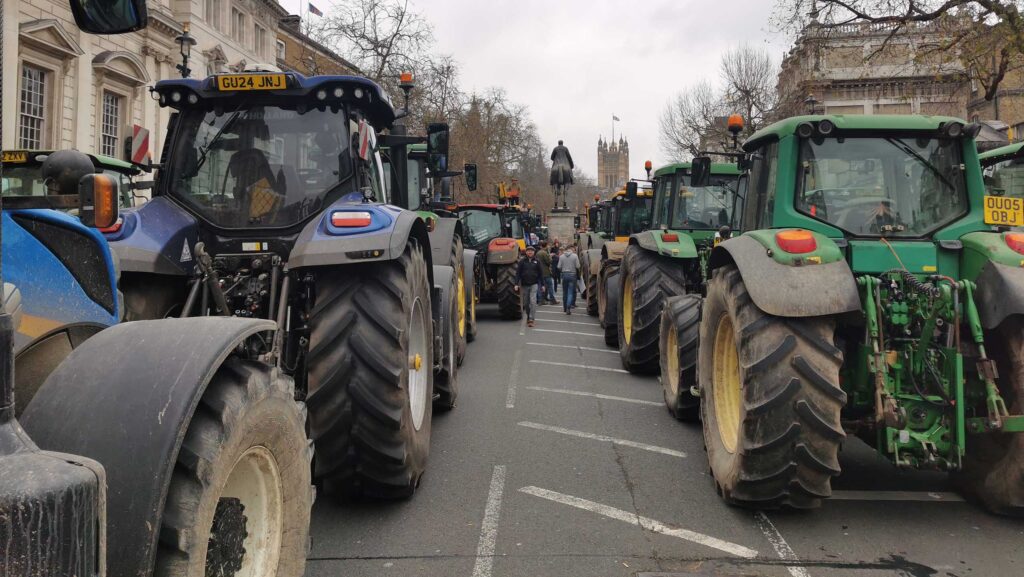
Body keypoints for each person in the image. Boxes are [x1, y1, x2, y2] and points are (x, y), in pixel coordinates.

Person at [516, 245, 544, 327]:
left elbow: (541, 274)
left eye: (531, 251)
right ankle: (528, 316)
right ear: (526, 252)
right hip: (524, 285)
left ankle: (531, 319)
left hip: (534, 284)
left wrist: (542, 285)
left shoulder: (537, 261)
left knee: (533, 301)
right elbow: (518, 273)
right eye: (528, 251)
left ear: (534, 252)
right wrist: (516, 284)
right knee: (527, 303)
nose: (530, 252)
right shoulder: (522, 261)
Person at [558, 244, 581, 314]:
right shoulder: (575, 256)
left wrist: (564, 269)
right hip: (572, 275)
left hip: (564, 275)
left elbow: (559, 266)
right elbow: (578, 266)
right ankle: (568, 307)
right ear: (572, 249)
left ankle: (565, 308)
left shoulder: (561, 256)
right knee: (570, 292)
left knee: (564, 292)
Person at [536, 241, 556, 305]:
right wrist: (550, 256)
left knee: (540, 287)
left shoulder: (538, 253)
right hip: (546, 272)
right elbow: (549, 262)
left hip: (539, 272)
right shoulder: (544, 253)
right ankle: (552, 300)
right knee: (550, 286)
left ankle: (541, 300)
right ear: (546, 245)